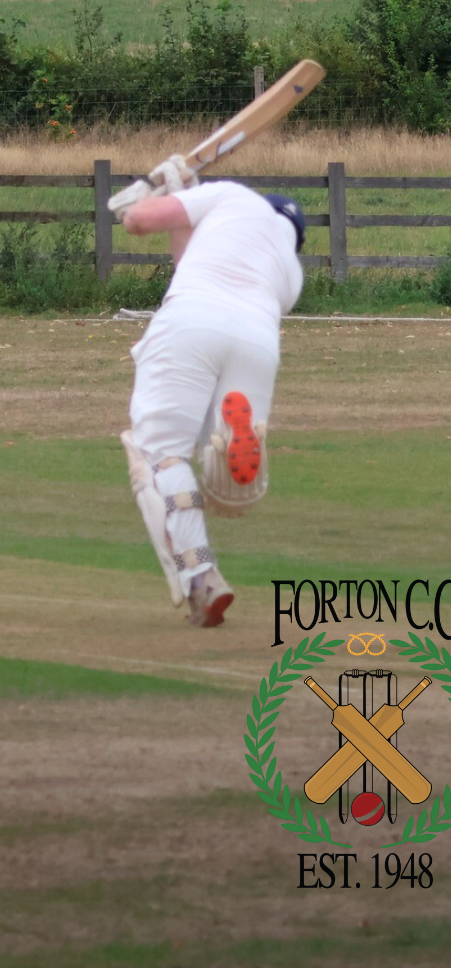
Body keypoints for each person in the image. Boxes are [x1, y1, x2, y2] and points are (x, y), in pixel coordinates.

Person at [110, 156, 305, 627]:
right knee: (217, 453)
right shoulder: (292, 273)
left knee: (160, 455)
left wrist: (149, 199)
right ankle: (232, 449)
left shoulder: (232, 196)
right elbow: (189, 259)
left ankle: (200, 573)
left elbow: (139, 222)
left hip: (191, 321)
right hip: (257, 339)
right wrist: (183, 195)